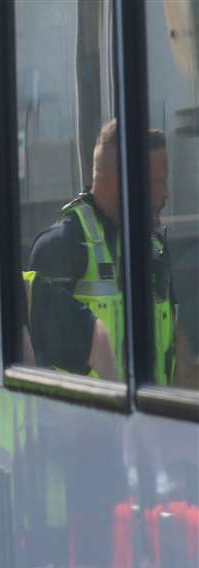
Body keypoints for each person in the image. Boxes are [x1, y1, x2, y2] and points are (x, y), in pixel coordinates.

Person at [29, 120, 196, 387]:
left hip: (153, 424)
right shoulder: (61, 247)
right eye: (157, 182)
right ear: (124, 180)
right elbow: (37, 371)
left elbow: (182, 361)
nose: (166, 194)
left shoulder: (152, 251)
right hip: (89, 426)